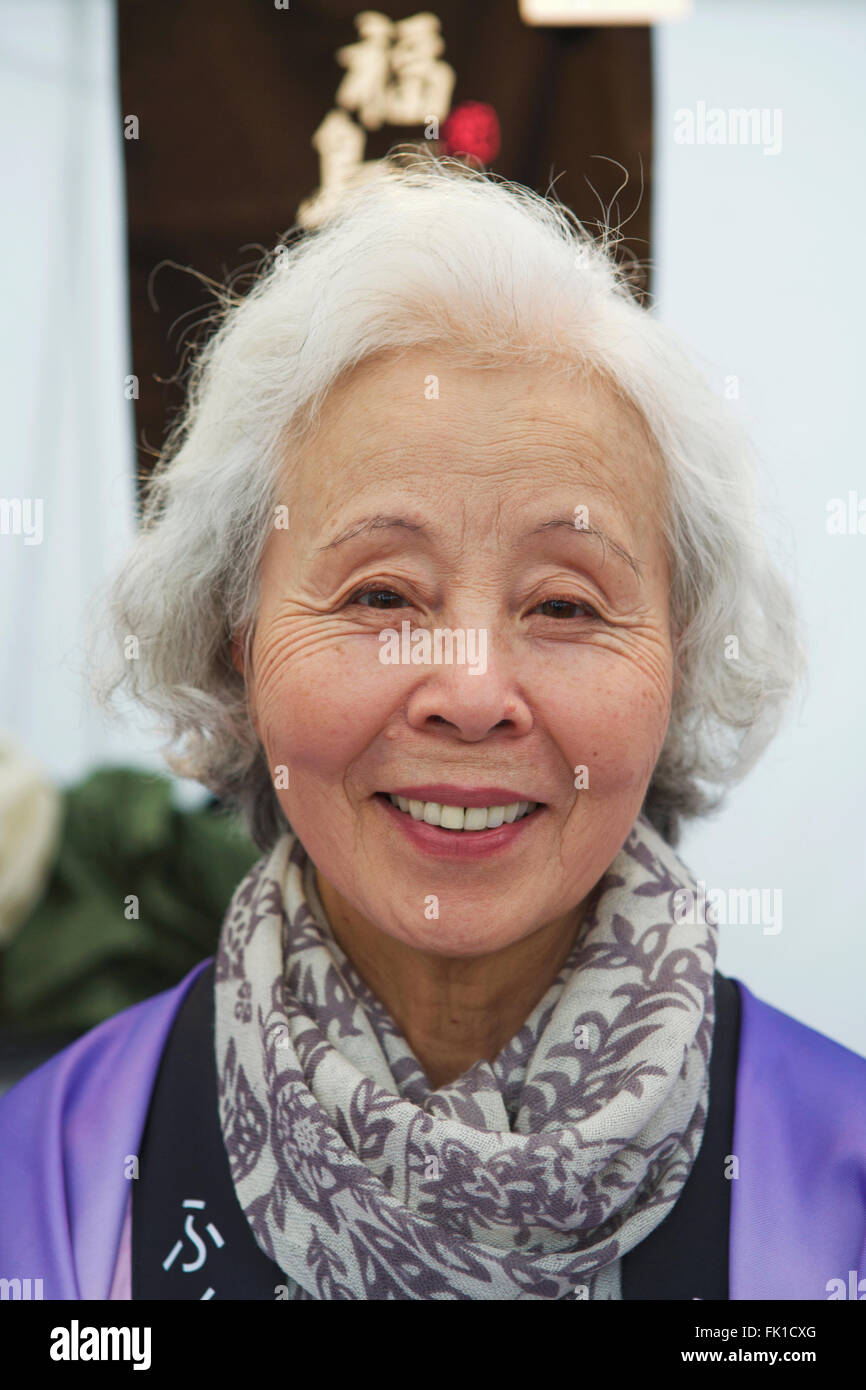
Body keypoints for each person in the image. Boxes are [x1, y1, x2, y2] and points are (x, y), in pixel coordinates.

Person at [1, 154, 864, 1301]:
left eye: (564, 605)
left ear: (681, 664)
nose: (466, 688)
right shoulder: (54, 1178)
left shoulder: (834, 1178)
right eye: (378, 595)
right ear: (233, 640)